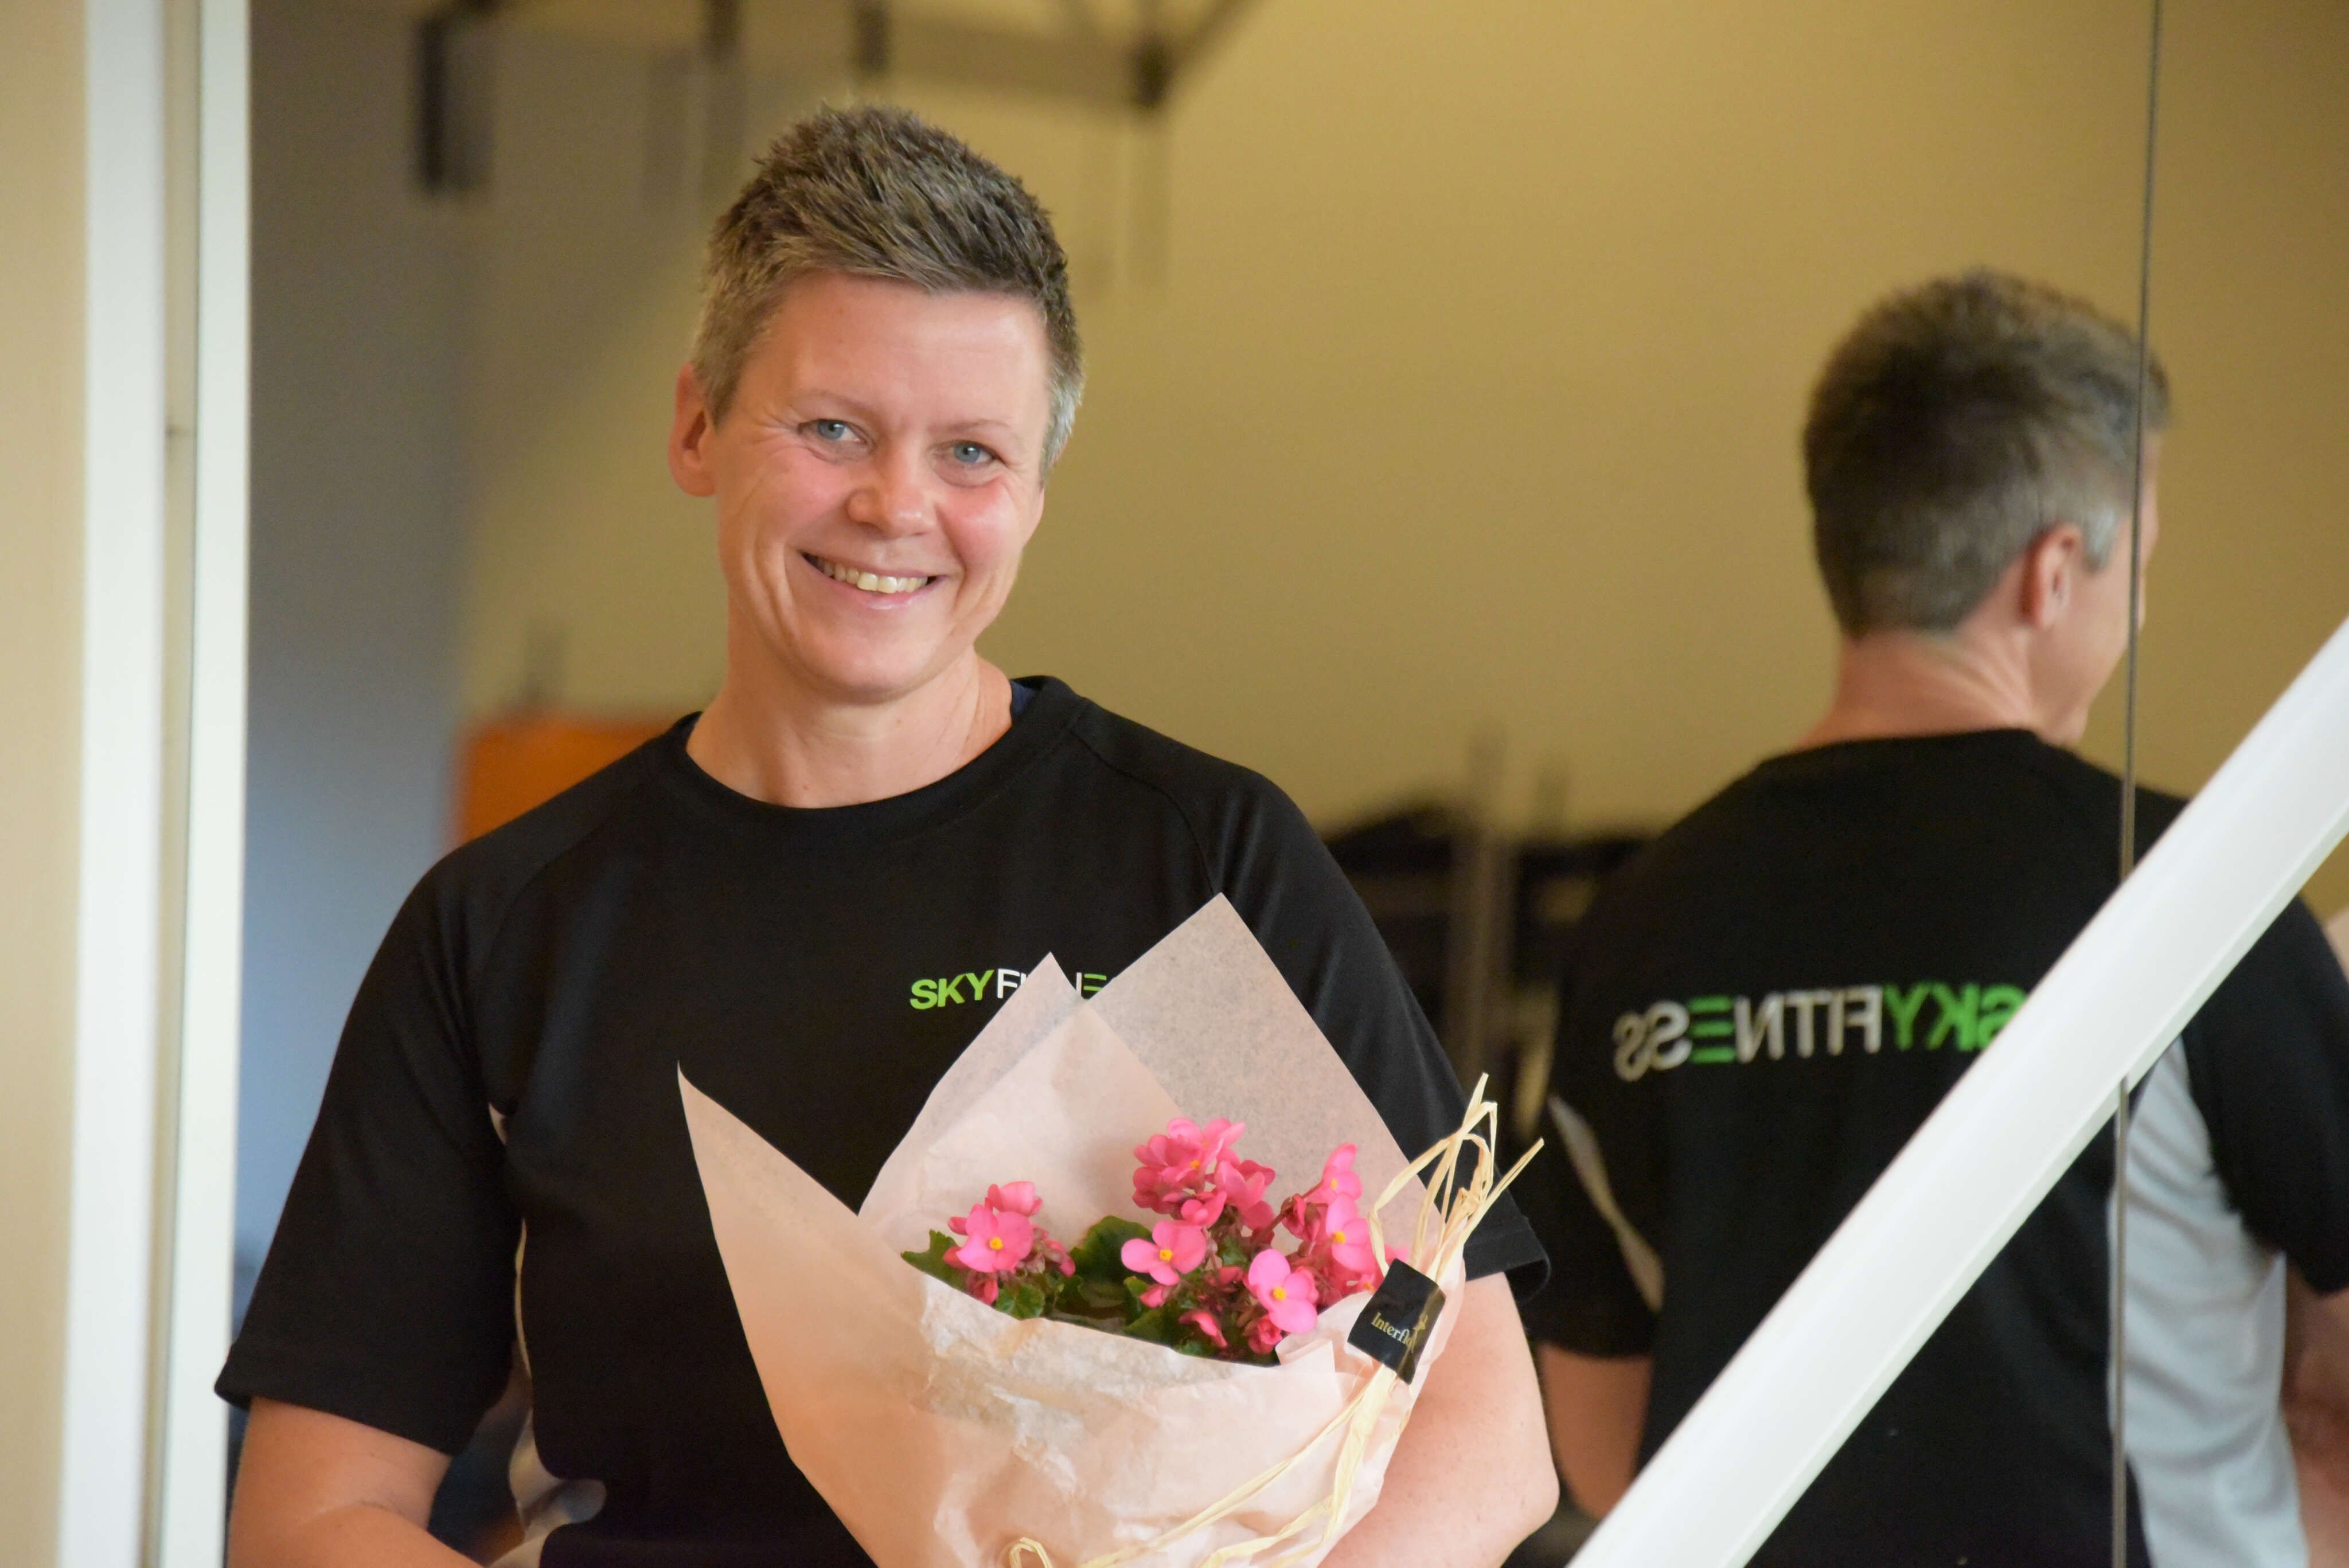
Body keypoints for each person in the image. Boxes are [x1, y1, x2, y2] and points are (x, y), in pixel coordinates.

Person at [220, 106, 1556, 1567]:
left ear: (1033, 496)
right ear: (695, 426)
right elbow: (314, 1514)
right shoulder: (508, 929)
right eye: (832, 429)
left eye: (970, 452)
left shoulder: (1194, 867)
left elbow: (1476, 1432)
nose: (894, 506)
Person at [1524, 270, 2349, 1566]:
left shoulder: (1642, 917)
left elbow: (1597, 1437)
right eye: (2136, 568)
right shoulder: (2185, 898)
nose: (2137, 609)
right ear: (2052, 573)